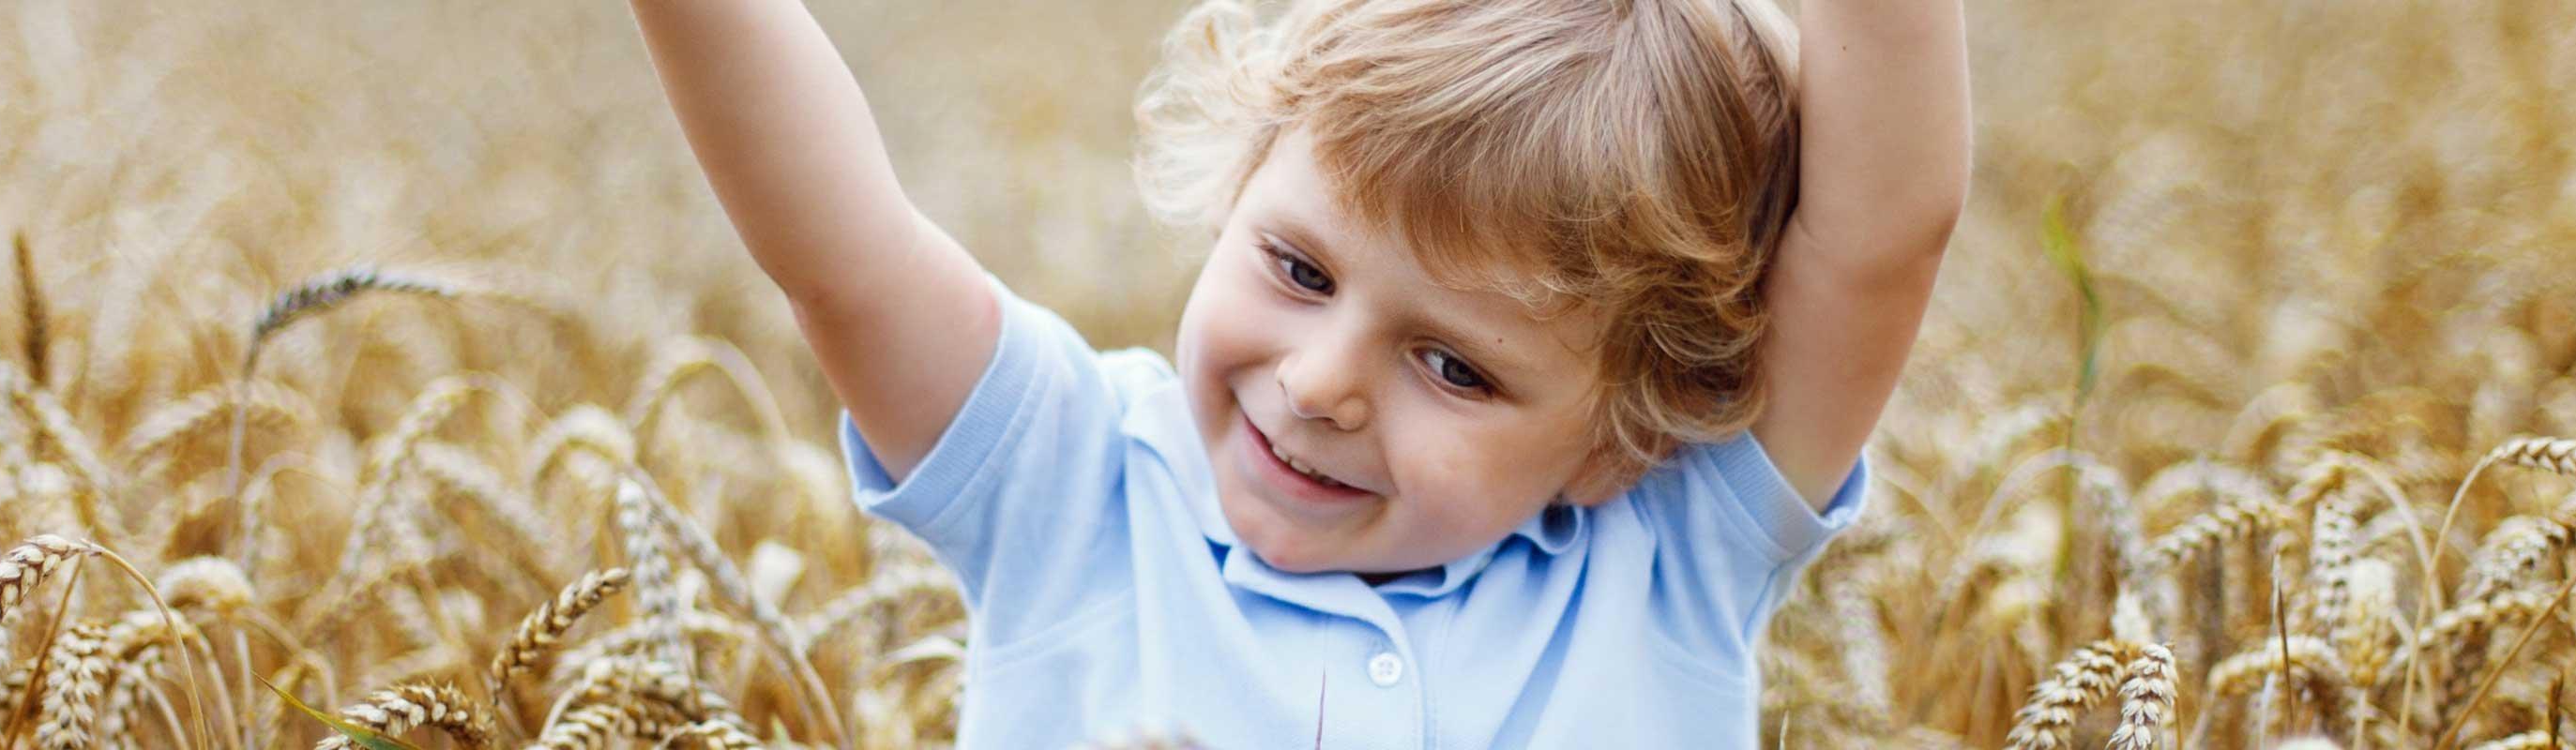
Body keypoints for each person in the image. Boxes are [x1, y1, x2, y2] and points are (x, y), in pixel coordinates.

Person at [625, 0, 1965, 744]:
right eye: (1301, 270)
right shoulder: (1076, 484)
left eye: (1455, 365)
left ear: (1629, 435)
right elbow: (841, 257)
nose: (1323, 382)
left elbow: (1879, 244)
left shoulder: (1668, 552)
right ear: (1238, 193)